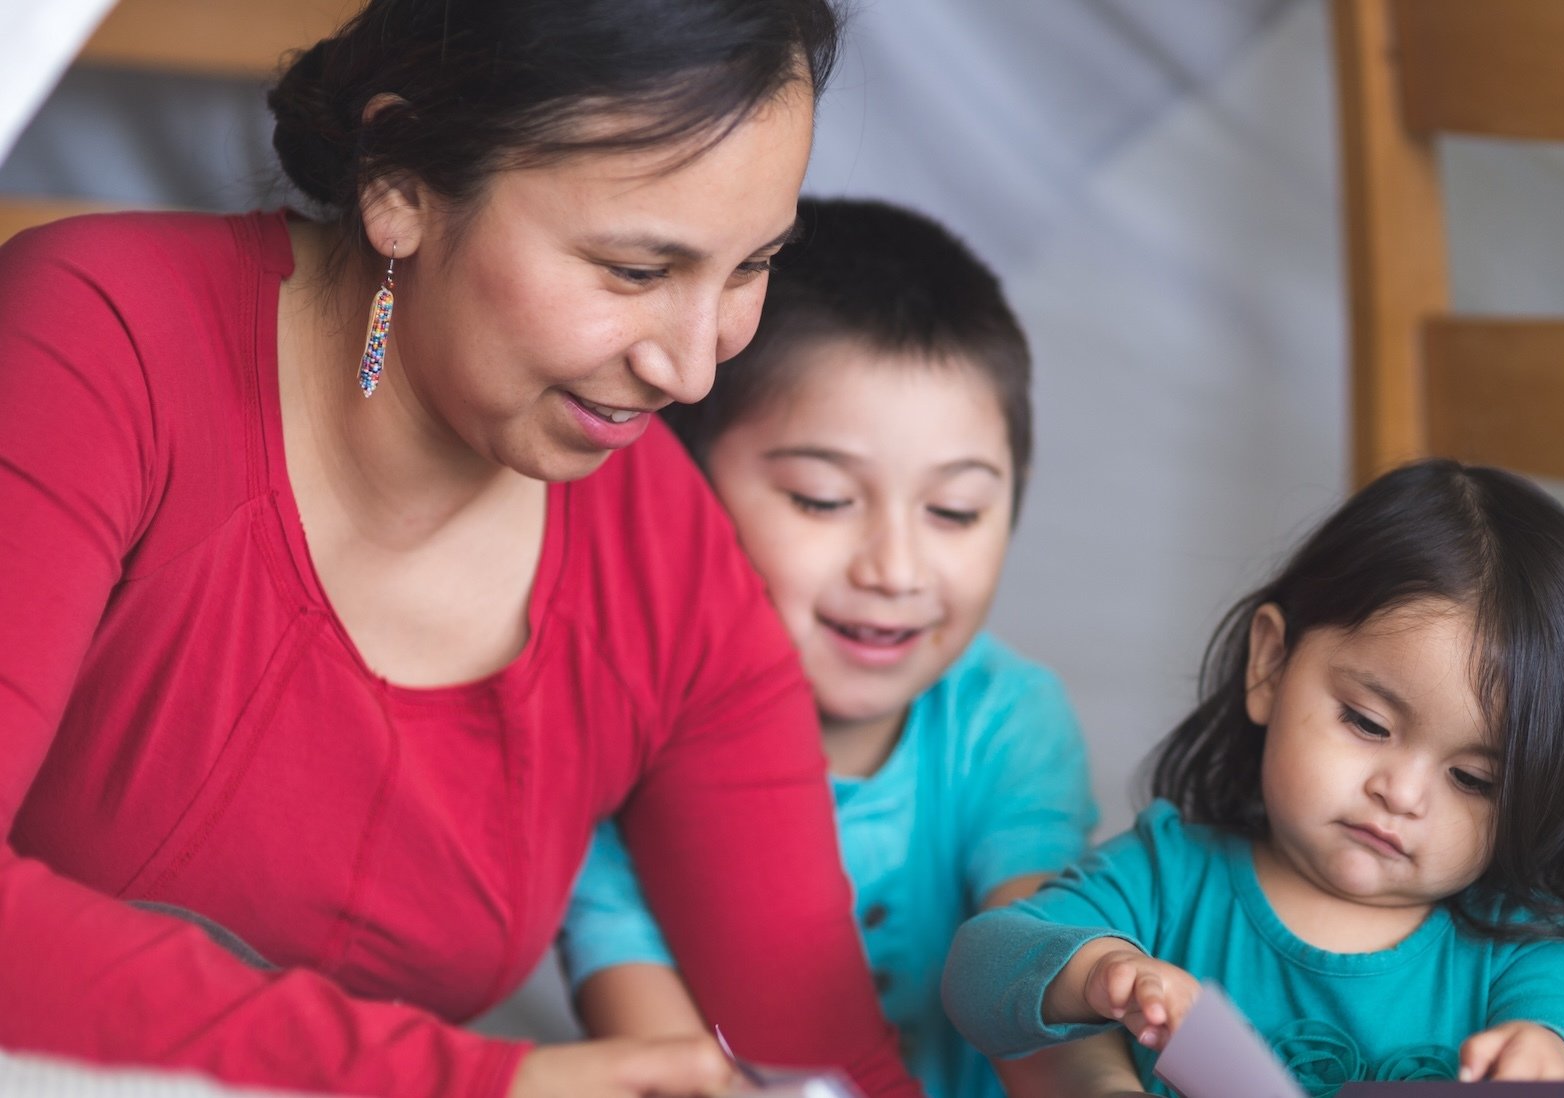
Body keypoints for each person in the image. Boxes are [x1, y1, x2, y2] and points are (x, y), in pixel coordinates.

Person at [0, 2, 925, 1097]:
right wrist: (481, 1081)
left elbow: (821, 1049)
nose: (692, 371)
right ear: (400, 183)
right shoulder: (99, 338)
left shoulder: (665, 561)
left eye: (750, 267)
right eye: (634, 271)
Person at [558, 196, 1099, 1098]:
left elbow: (1036, 975)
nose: (895, 568)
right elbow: (652, 1044)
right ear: (681, 484)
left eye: (955, 511)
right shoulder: (616, 741)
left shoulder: (1008, 721)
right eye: (821, 498)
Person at [942, 460, 1564, 1097]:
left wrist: (1550, 1062)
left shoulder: (1519, 946)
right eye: (1367, 723)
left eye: (1474, 779)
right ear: (1270, 665)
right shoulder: (1170, 875)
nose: (1402, 793)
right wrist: (1098, 968)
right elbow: (977, 969)